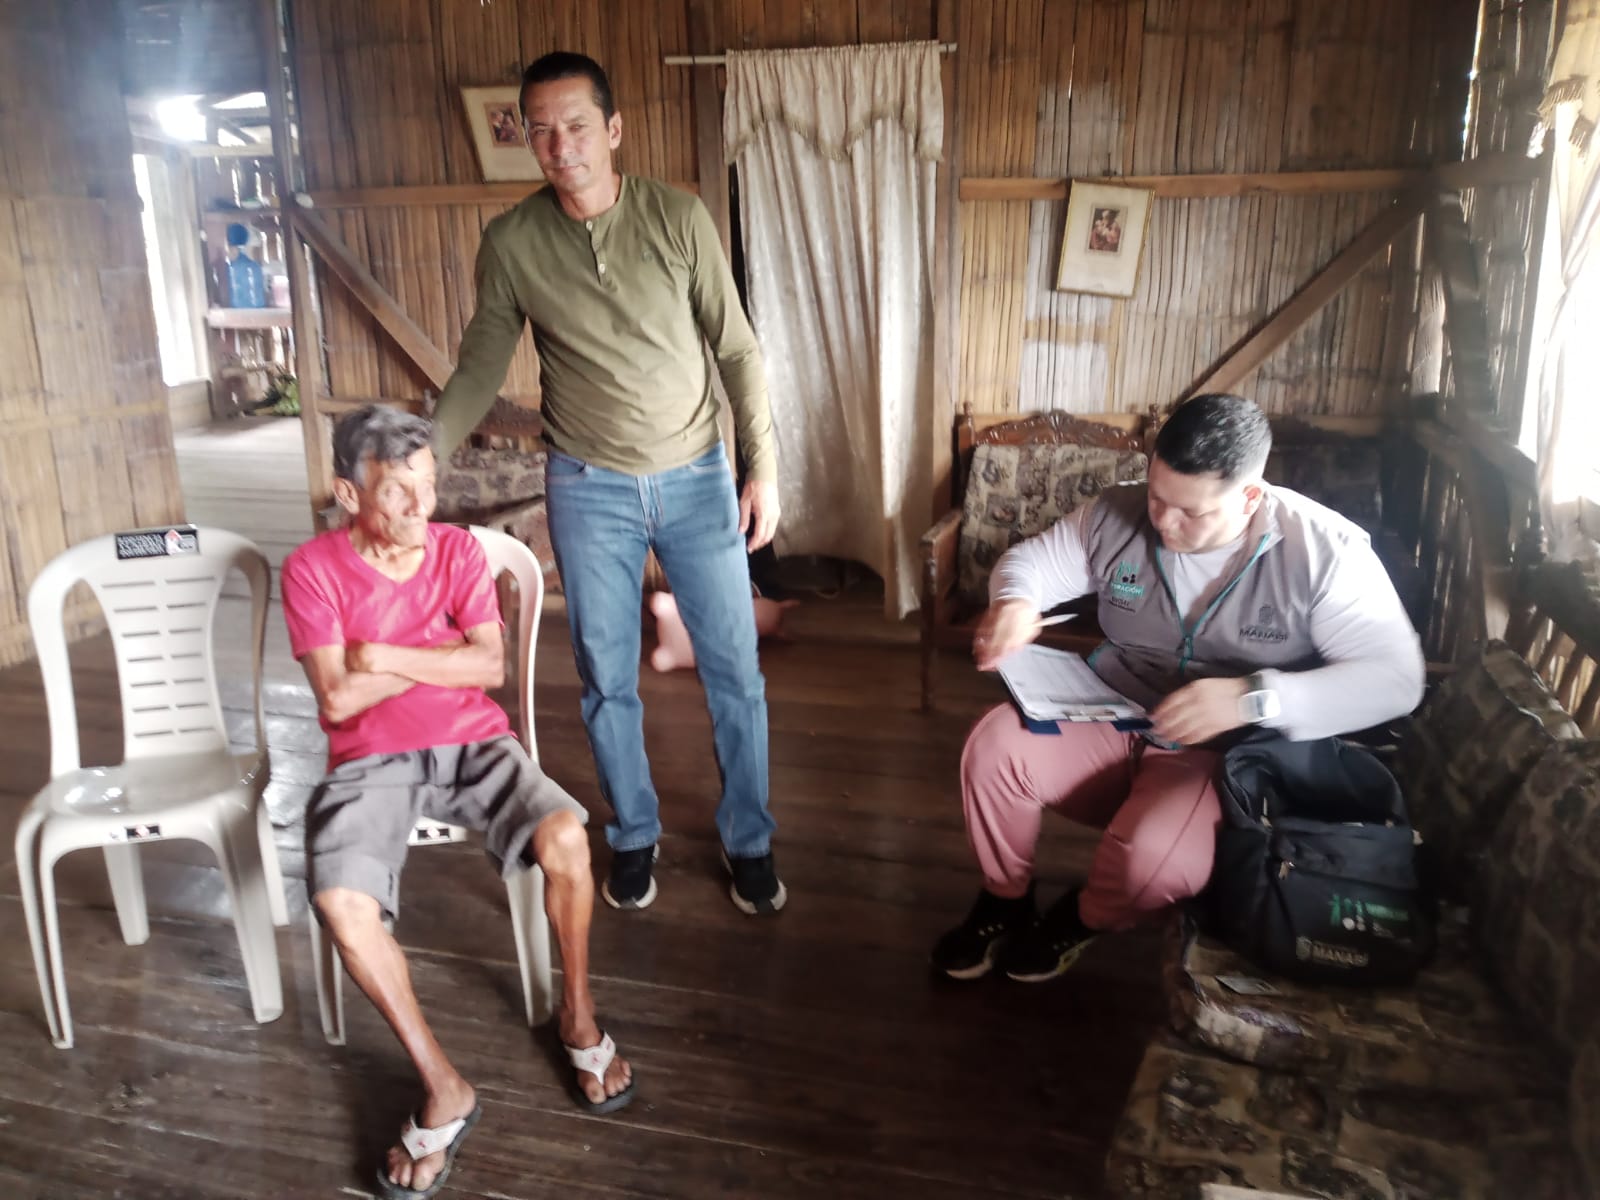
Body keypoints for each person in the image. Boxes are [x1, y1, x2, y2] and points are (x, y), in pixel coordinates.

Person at [431, 52, 785, 916]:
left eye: (578, 126)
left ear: (613, 130)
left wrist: (763, 467)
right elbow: (482, 361)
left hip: (697, 478)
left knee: (735, 670)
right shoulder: (512, 242)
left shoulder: (677, 217)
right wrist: (422, 454)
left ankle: (748, 837)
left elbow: (737, 349)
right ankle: (633, 832)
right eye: (542, 131)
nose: (562, 147)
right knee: (604, 676)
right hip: (587, 485)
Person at [930, 393, 1426, 982]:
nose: (1163, 522)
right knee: (994, 748)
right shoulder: (1115, 514)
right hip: (1113, 712)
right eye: (1156, 497)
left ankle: (1085, 917)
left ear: (1249, 497)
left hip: (1224, 754)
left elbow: (1397, 680)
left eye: (1191, 512)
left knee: (1151, 864)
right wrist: (1015, 601)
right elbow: (1031, 563)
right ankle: (1005, 898)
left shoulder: (1324, 552)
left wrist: (1251, 697)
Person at [281, 406, 635, 1200]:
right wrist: (441, 655)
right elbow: (338, 699)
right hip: (369, 759)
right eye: (396, 491)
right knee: (340, 904)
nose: (422, 507)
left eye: (429, 485)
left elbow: (489, 669)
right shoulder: (311, 568)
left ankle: (578, 1015)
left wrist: (383, 655)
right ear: (349, 493)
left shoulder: (457, 551)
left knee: (568, 838)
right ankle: (443, 1084)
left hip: (475, 744)